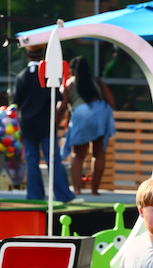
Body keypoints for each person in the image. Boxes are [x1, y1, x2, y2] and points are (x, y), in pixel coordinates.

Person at [10, 45, 77, 204]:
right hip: (45, 124)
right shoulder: (47, 76)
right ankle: (63, 195)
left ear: (27, 54)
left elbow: (16, 104)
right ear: (42, 55)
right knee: (52, 159)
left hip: (27, 124)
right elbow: (58, 100)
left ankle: (34, 195)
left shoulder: (21, 76)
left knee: (31, 159)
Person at [62, 56, 116, 196]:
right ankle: (94, 190)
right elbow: (111, 102)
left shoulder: (70, 84)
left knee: (78, 155)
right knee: (98, 154)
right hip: (101, 114)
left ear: (72, 71)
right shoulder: (98, 81)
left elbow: (62, 106)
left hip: (81, 115)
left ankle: (78, 190)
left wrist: (56, 122)